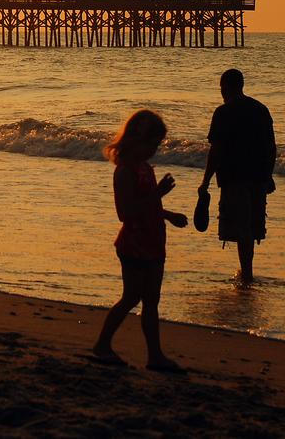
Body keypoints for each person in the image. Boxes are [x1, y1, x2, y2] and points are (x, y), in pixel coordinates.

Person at [91, 109, 188, 372]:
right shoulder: (124, 172)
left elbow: (147, 206)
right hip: (134, 243)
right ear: (136, 140)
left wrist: (168, 215)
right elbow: (126, 212)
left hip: (154, 240)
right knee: (131, 297)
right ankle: (102, 344)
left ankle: (155, 355)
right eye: (152, 144)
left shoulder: (145, 168)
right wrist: (158, 196)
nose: (154, 150)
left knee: (152, 300)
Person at [198, 69, 276, 284]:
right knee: (251, 227)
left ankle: (247, 276)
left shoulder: (223, 112)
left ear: (226, 87)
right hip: (258, 177)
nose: (221, 92)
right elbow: (271, 147)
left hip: (234, 177)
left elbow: (216, 150)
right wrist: (269, 175)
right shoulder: (261, 109)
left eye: (222, 88)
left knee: (241, 227)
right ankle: (247, 273)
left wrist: (205, 181)